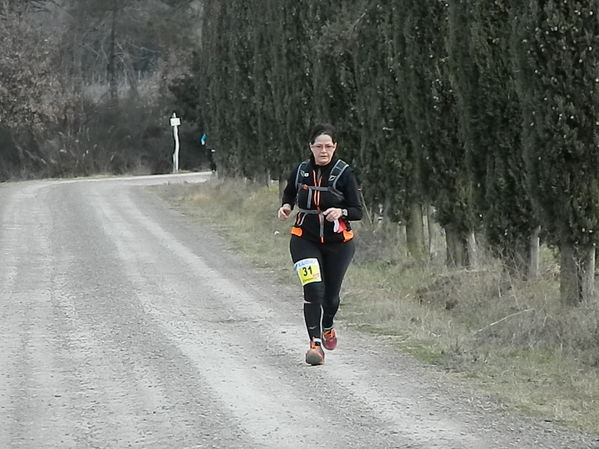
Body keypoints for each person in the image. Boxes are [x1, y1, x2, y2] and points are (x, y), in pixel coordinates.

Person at [278, 123, 362, 365]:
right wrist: (286, 207)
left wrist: (341, 211)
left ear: (335, 147)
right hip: (304, 238)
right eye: (319, 146)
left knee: (331, 297)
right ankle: (315, 344)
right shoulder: (301, 170)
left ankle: (327, 325)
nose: (323, 151)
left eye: (328, 146)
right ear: (311, 147)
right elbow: (289, 193)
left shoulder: (344, 173)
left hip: (339, 243)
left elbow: (357, 211)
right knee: (313, 290)